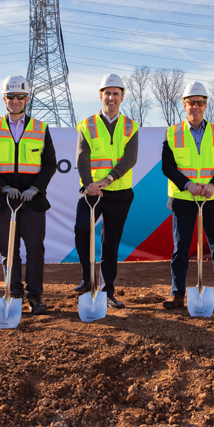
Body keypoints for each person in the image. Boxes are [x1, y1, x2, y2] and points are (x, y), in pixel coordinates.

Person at [0, 75, 57, 315]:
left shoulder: (40, 128)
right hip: (4, 201)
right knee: (8, 250)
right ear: (4, 99)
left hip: (32, 201)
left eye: (19, 97)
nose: (15, 101)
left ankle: (35, 296)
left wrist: (35, 188)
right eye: (10, 96)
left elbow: (50, 164)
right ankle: (13, 293)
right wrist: (3, 188)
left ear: (26, 99)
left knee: (35, 248)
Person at [160, 81, 214, 309]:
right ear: (184, 105)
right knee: (180, 248)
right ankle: (177, 293)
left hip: (211, 200)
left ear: (206, 106)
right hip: (184, 200)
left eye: (200, 103)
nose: (195, 106)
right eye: (191, 102)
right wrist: (187, 184)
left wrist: (213, 185)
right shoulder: (172, 133)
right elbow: (168, 167)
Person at [72, 73, 139, 309]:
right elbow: (82, 156)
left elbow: (130, 159)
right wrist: (90, 184)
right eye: (107, 93)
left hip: (119, 193)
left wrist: (108, 180)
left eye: (115, 93)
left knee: (111, 244)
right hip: (91, 192)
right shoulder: (86, 124)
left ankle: (107, 291)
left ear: (122, 97)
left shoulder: (131, 126)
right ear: (101, 96)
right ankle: (87, 277)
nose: (111, 97)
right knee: (82, 229)